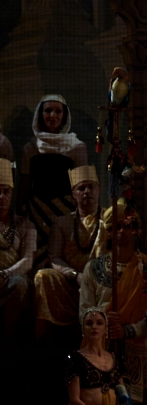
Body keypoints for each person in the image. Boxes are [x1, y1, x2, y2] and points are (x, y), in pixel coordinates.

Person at [79, 201, 147, 405]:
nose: (120, 232)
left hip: (136, 348)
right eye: (114, 227)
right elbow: (84, 312)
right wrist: (104, 323)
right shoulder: (93, 268)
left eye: (126, 226)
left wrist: (129, 329)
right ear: (107, 231)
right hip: (100, 347)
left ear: (135, 230)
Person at [19, 94, 88, 269]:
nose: (53, 115)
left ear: (64, 115)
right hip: (37, 216)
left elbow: (82, 185)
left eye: (58, 111)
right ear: (40, 114)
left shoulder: (77, 147)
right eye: (48, 110)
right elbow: (24, 185)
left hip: (66, 215)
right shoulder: (30, 148)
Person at [35, 166, 101, 338]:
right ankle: (43, 339)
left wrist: (90, 279)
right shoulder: (62, 222)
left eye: (91, 187)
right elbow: (54, 257)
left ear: (99, 190)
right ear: (73, 194)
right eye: (81, 188)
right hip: (69, 282)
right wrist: (76, 276)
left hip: (99, 283)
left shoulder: (108, 219)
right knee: (43, 276)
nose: (87, 192)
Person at [0, 159, 36, 333]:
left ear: (12, 194)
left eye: (6, 192)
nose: (2, 197)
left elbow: (28, 260)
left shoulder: (25, 225)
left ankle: (7, 342)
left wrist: (5, 274)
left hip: (10, 281)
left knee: (21, 283)